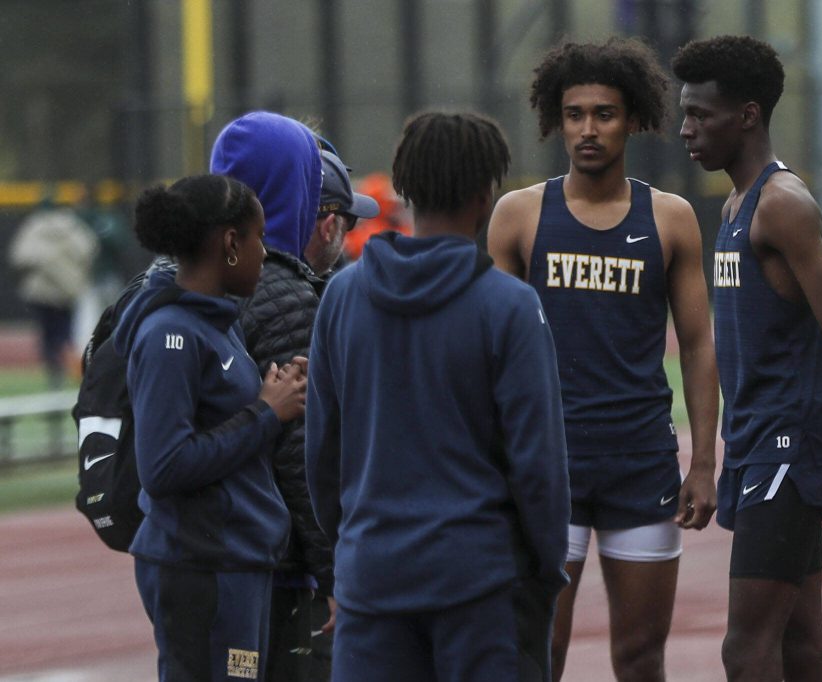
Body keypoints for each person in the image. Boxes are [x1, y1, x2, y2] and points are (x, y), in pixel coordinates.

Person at [672, 35, 822, 681]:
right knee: (801, 644)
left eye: (700, 114)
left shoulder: (782, 206)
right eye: (684, 112)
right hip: (757, 445)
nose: (685, 128)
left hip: (790, 449)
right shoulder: (732, 207)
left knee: (745, 649)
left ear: (747, 115)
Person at [305, 111, 570, 681]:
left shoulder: (341, 298)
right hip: (480, 586)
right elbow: (538, 465)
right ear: (485, 195)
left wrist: (353, 549)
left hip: (371, 579)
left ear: (403, 190)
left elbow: (321, 454)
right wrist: (545, 571)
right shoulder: (510, 307)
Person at [487, 38, 720, 681]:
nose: (588, 129)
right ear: (556, 120)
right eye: (574, 114)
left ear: (634, 119)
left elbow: (699, 346)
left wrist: (703, 463)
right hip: (544, 466)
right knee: (539, 654)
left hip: (639, 465)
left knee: (641, 658)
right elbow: (483, 350)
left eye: (605, 114)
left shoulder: (670, 219)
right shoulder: (518, 215)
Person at [112, 174, 307, 682]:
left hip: (234, 560)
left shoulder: (215, 322)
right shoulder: (170, 334)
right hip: (202, 565)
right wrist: (266, 413)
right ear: (230, 244)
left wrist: (275, 392)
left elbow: (222, 419)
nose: (265, 252)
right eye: (258, 238)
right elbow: (163, 465)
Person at [209, 111, 379, 682]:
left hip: (191, 550)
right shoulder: (282, 292)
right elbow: (304, 457)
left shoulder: (182, 275)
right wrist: (337, 579)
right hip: (271, 570)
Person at [8, 194, 98, 387]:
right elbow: (90, 250)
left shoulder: (34, 226)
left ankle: (54, 372)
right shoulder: (74, 226)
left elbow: (20, 257)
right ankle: (69, 371)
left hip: (42, 293)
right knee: (66, 335)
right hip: (68, 291)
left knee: (49, 336)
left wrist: (46, 263)